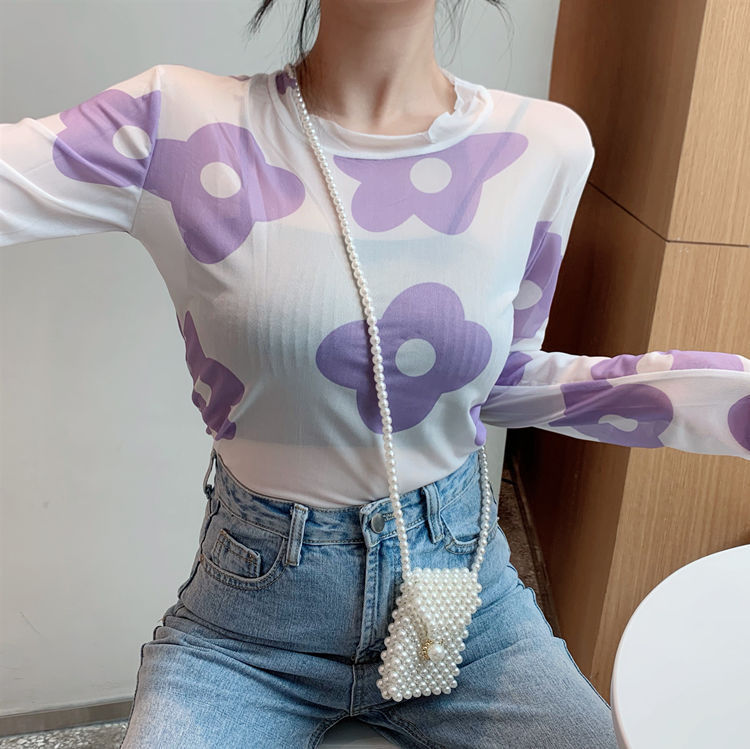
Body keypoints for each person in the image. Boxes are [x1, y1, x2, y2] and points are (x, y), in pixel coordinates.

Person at [2, 1, 748, 747]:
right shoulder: (176, 121)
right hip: (249, 634)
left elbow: (503, 379)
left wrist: (723, 401)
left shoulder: (541, 145)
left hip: (466, 604)